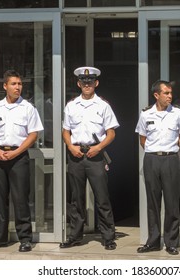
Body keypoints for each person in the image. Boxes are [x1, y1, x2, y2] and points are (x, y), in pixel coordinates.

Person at [0, 70, 44, 252]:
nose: (18, 87)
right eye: (14, 84)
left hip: (19, 157)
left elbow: (33, 134)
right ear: (5, 86)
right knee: (0, 199)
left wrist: (17, 152)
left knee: (20, 199)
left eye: (20, 84)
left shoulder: (28, 108)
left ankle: (25, 239)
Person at [60, 66, 119, 250]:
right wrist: (70, 146)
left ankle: (108, 237)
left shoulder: (103, 106)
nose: (87, 85)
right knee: (76, 199)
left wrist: (99, 147)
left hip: (96, 156)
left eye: (90, 82)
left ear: (96, 83)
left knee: (102, 198)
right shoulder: (71, 105)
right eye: (84, 82)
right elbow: (65, 131)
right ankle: (75, 236)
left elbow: (111, 133)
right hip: (76, 155)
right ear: (79, 84)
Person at [135, 80, 180, 255]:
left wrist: (168, 152)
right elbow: (143, 140)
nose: (170, 96)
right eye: (166, 93)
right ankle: (153, 241)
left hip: (170, 159)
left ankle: (171, 242)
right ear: (156, 95)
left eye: (171, 93)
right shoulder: (145, 115)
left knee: (172, 202)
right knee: (152, 202)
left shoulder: (178, 114)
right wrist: (155, 153)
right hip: (151, 159)